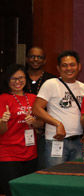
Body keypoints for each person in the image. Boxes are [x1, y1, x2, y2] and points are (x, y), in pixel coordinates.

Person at [33, 50, 84, 168]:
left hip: (79, 142)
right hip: (56, 141)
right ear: (58, 68)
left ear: (79, 66)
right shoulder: (51, 84)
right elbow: (36, 109)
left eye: (72, 64)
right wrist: (58, 124)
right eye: (64, 65)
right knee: (55, 177)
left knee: (77, 177)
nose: (69, 68)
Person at [0, 64, 44, 196]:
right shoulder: (2, 99)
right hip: (9, 154)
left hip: (31, 153)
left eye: (20, 78)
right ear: (7, 80)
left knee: (27, 191)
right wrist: (3, 121)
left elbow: (41, 123)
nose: (17, 82)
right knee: (11, 192)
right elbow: (1, 131)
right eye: (13, 79)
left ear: (26, 79)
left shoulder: (33, 98)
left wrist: (34, 122)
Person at [23, 47, 57, 170]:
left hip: (45, 132)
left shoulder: (52, 80)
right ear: (27, 59)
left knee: (42, 168)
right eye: (32, 56)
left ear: (44, 60)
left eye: (40, 57)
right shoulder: (20, 78)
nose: (36, 59)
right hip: (21, 131)